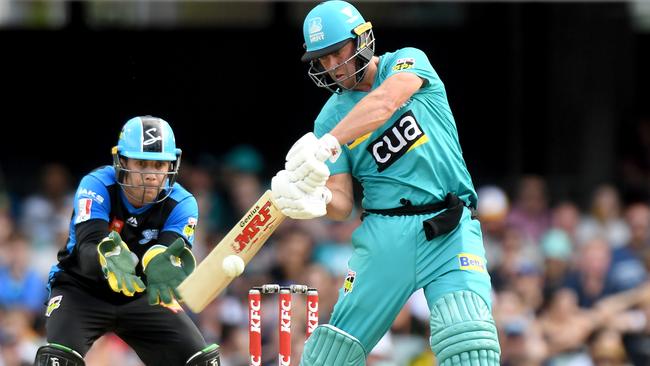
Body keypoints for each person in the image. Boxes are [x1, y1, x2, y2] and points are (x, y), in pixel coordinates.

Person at [270, 1, 500, 364]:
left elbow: (386, 102)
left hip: (450, 227)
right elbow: (343, 202)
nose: (331, 66)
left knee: (469, 345)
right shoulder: (329, 117)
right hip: (384, 237)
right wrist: (315, 198)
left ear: (362, 39)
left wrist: (330, 142)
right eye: (323, 59)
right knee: (332, 356)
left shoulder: (407, 62)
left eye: (336, 53)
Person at [34, 116, 220, 365]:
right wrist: (108, 257)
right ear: (121, 161)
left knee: (201, 361)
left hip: (143, 293)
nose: (152, 176)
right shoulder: (98, 184)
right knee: (57, 360)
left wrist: (158, 263)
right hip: (81, 289)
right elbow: (88, 246)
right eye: (142, 164)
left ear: (171, 165)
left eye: (159, 166)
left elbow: (168, 251)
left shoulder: (183, 203)